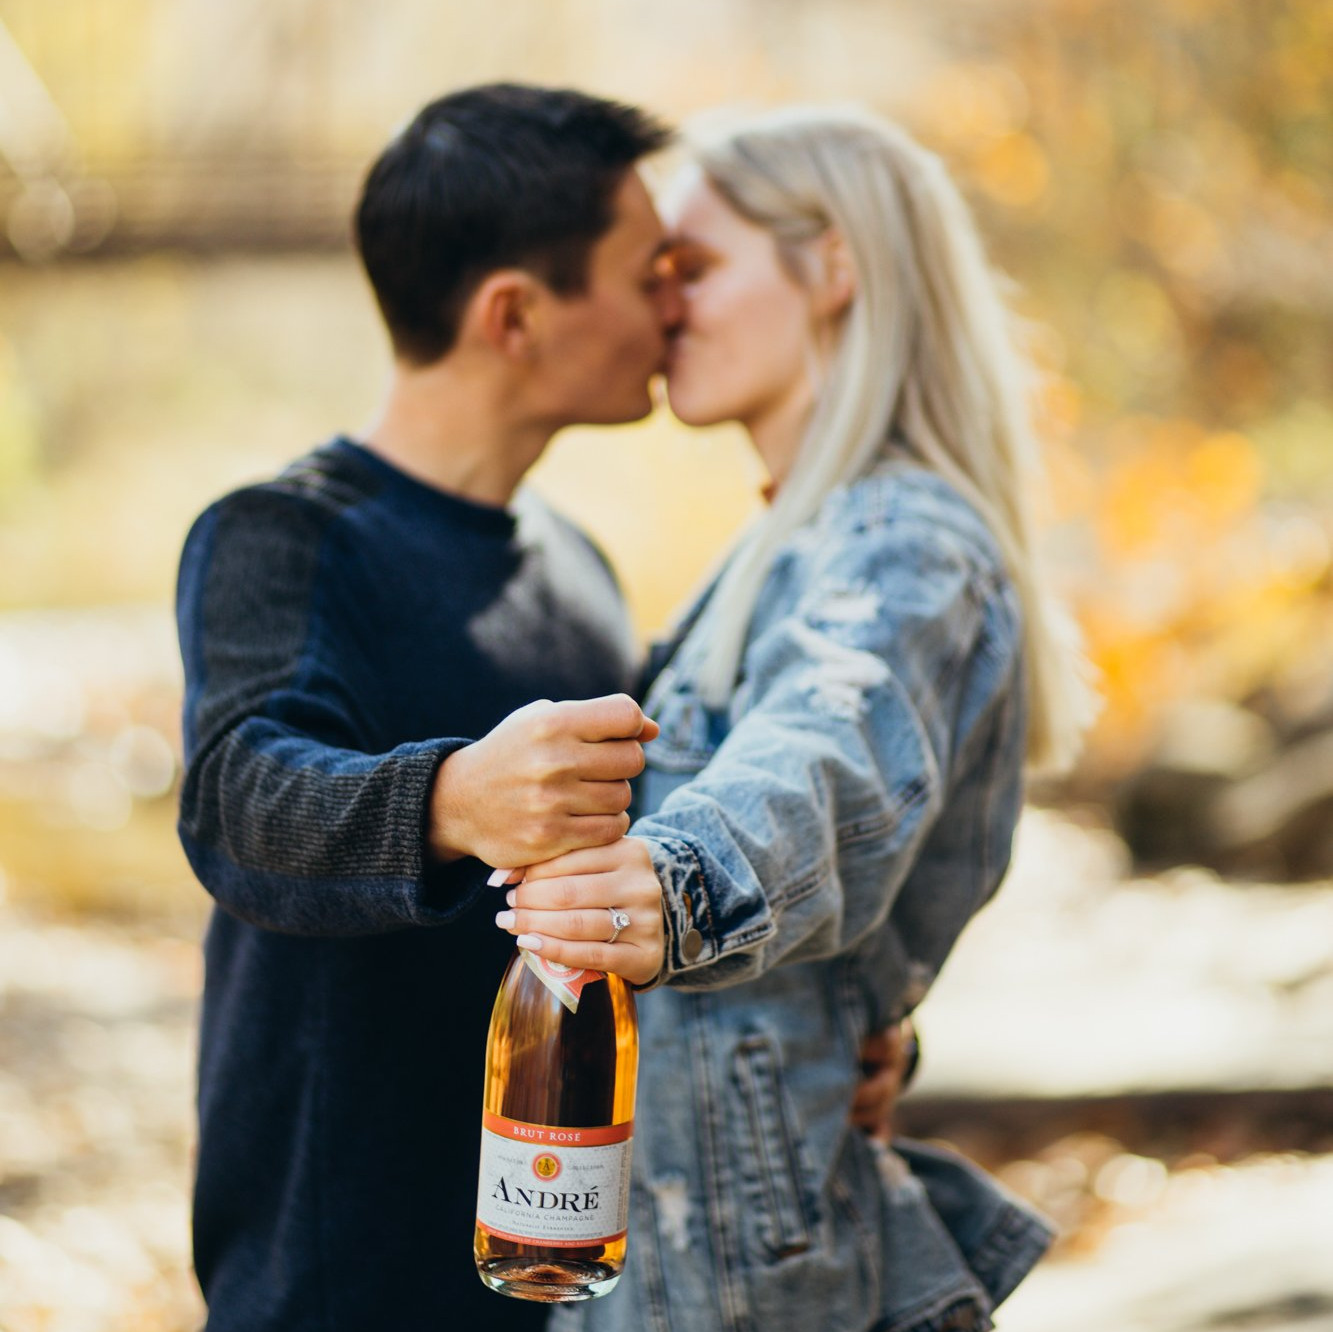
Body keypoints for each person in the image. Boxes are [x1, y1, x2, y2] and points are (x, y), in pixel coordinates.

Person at [175, 84, 905, 1332]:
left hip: (570, 1258)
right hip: (341, 1264)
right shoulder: (284, 537)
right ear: (515, 314)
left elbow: (665, 862)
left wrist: (828, 1027)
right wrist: (456, 797)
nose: (674, 306)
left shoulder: (576, 566)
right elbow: (237, 802)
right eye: (647, 274)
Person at [495, 105, 1094, 1332]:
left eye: (694, 267)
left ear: (832, 268)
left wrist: (673, 882)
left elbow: (829, 756)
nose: (663, 307)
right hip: (679, 1236)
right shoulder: (788, 540)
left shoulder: (903, 539)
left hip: (744, 1270)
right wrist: (861, 1027)